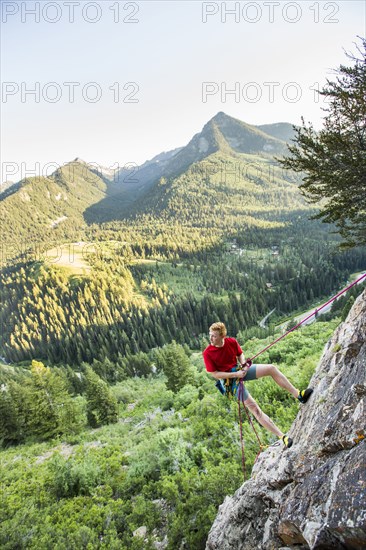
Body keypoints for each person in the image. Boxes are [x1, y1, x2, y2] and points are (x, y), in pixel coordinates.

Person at [203, 322, 313, 448]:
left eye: (214, 336)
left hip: (239, 371)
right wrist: (236, 375)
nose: (210, 338)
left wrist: (243, 365)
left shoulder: (231, 342)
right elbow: (215, 374)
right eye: (210, 335)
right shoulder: (208, 353)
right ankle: (282, 437)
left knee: (271, 368)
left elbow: (240, 354)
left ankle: (299, 395)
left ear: (222, 336)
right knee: (255, 408)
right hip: (230, 381)